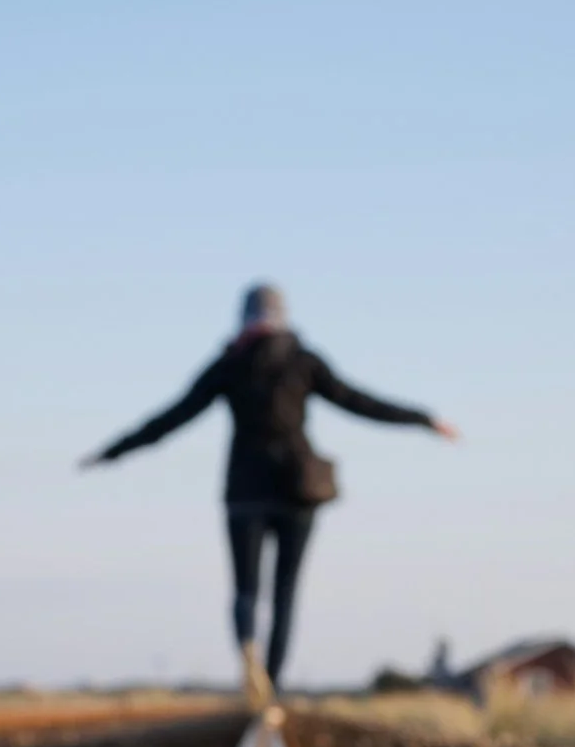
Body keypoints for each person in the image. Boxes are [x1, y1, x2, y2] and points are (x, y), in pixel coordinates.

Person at [82, 284, 459, 709]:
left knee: (246, 590)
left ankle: (248, 645)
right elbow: (360, 402)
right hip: (297, 489)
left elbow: (173, 417)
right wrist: (423, 420)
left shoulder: (230, 364)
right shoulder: (303, 361)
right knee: (285, 593)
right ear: (284, 316)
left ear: (243, 318)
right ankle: (273, 688)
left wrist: (112, 452)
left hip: (244, 491)